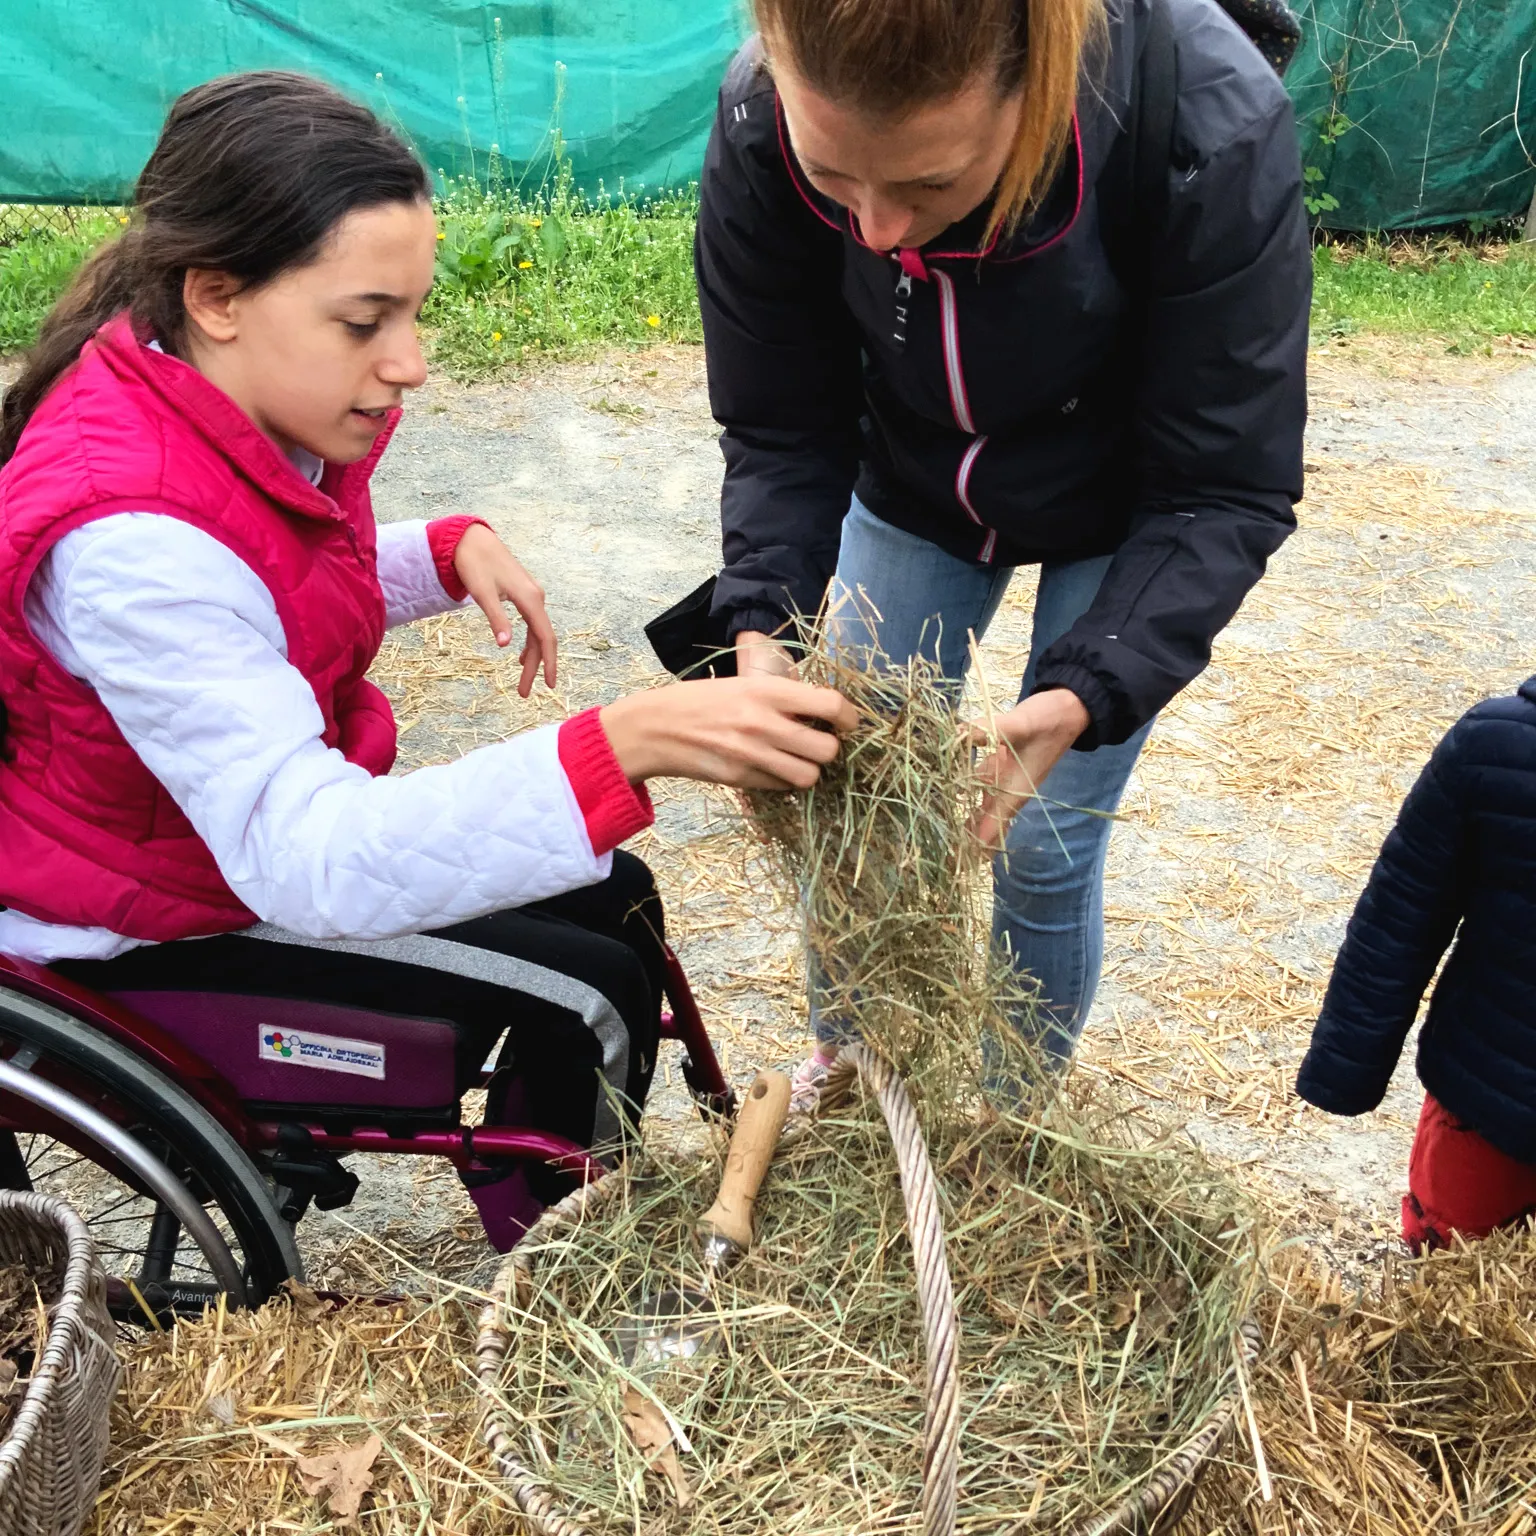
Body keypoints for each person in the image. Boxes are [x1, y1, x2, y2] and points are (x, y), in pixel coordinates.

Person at [0, 72, 855, 1249]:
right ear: (218, 296)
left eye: (412, 314)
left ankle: (566, 1212)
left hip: (189, 854)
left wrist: (437, 554)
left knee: (616, 898)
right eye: (366, 323)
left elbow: (262, 589)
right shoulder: (132, 543)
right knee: (588, 995)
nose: (409, 363)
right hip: (142, 926)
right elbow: (314, 859)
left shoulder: (205, 408)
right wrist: (621, 745)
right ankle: (562, 1272)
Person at [691, 0, 1310, 1104]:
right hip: (915, 478)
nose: (876, 229)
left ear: (1039, 84)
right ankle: (860, 1090)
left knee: (1045, 845)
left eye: (927, 184)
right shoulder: (760, 114)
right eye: (833, 179)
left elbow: (1221, 486)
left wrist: (1088, 687)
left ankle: (1010, 1131)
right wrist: (763, 622)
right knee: (852, 816)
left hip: (1126, 504)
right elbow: (782, 422)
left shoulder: (1206, 125)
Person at [1297, 680, 1536, 1253]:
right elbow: (1402, 912)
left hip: (1487, 1090)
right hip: (1490, 1107)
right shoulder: (1500, 744)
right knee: (1454, 1266)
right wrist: (1345, 1067)